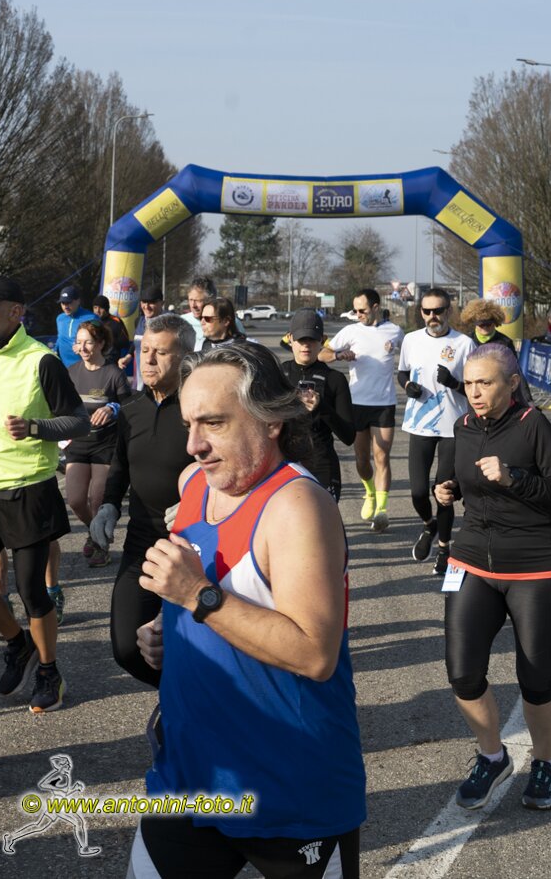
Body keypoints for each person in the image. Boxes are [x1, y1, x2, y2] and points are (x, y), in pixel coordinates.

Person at [130, 342, 364, 877]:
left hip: (288, 791)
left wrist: (197, 596)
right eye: (189, 424)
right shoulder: (194, 484)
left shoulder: (297, 506)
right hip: (189, 780)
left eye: (213, 423)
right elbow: (213, 602)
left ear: (270, 421)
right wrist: (167, 629)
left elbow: (314, 653)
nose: (194, 445)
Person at [435, 343, 551, 812]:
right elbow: (460, 482)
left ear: (512, 383)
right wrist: (447, 490)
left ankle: (544, 761)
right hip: (472, 558)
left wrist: (514, 476)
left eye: (485, 383)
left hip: (537, 563)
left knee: (534, 675)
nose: (475, 392)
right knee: (462, 672)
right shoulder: (461, 427)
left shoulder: (532, 425)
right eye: (469, 383)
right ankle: (492, 756)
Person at [0, 276, 89, 714]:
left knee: (32, 592)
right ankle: (17, 643)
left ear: (15, 312)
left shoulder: (40, 360)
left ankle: (49, 671)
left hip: (29, 488)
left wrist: (36, 428)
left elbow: (78, 420)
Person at [99, 313, 195, 688]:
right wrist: (109, 504)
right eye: (145, 350)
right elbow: (120, 465)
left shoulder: (197, 411)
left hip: (193, 548)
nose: (149, 359)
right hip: (142, 545)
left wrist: (197, 501)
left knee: (191, 646)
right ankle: (182, 698)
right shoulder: (131, 409)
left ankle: (189, 708)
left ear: (184, 357)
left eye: (161, 352)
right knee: (128, 648)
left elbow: (223, 468)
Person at [398, 287, 475, 576]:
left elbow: (475, 387)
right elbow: (402, 372)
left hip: (453, 427)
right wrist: (408, 386)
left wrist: (454, 383)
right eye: (427, 311)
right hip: (419, 424)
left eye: (438, 311)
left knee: (444, 491)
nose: (433, 316)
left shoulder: (464, 343)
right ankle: (428, 525)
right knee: (418, 491)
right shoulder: (411, 340)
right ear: (421, 312)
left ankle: (444, 548)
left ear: (449, 311)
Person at [323, 287, 404, 529]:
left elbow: (411, 355)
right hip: (356, 403)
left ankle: (382, 510)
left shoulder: (395, 331)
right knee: (361, 459)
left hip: (384, 404)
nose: (358, 314)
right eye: (355, 310)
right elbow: (322, 353)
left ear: (376, 307)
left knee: (382, 456)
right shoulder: (351, 331)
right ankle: (369, 492)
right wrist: (339, 355)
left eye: (362, 310)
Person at [63, 320, 131, 568]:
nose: (83, 347)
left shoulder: (113, 374)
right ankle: (95, 533)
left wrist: (112, 408)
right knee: (75, 501)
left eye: (89, 342)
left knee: (97, 499)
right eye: (79, 342)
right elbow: (60, 405)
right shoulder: (71, 372)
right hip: (78, 443)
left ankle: (101, 547)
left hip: (106, 444)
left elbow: (130, 407)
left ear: (101, 343)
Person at [278, 309, 355, 505]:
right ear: (290, 338)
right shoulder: (279, 375)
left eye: (312, 339)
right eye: (301, 339)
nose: (306, 345)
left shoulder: (335, 379)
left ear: (322, 340)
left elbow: (348, 436)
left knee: (321, 522)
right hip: (285, 464)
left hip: (322, 465)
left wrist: (322, 408)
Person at [55, 285, 100, 368]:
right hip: (63, 367)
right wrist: (55, 350)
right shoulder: (60, 318)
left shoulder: (91, 318)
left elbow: (100, 341)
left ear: (78, 301)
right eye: (63, 303)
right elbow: (60, 338)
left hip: (85, 367)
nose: (65, 306)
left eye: (68, 302)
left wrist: (81, 345)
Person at [131, 286, 164, 389]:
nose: (146, 306)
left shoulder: (170, 324)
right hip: (139, 382)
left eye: (151, 302)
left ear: (162, 303)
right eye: (144, 302)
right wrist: (128, 356)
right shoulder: (138, 321)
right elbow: (137, 344)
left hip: (158, 383)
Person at [90, 294, 133, 370]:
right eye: (95, 307)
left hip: (111, 363)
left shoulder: (116, 322)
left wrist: (109, 340)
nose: (97, 311)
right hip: (95, 362)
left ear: (107, 308)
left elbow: (125, 342)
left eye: (101, 308)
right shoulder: (91, 322)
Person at [180, 277, 214, 351]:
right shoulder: (181, 322)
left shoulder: (225, 322)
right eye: (191, 300)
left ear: (210, 300)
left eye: (198, 301)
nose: (193, 305)